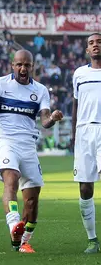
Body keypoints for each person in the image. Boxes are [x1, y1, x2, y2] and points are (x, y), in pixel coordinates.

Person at [0, 50, 63, 253]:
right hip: (5, 140)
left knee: (32, 200)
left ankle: (23, 241)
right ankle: (14, 224)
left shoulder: (40, 90)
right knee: (11, 178)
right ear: (12, 65)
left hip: (28, 144)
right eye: (19, 65)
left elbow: (45, 120)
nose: (23, 69)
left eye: (27, 65)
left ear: (32, 67)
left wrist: (54, 118)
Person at [72, 33, 101, 254]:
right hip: (83, 132)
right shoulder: (79, 74)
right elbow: (75, 104)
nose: (95, 45)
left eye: (99, 41)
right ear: (86, 50)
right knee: (85, 187)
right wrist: (74, 134)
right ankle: (92, 239)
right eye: (91, 43)